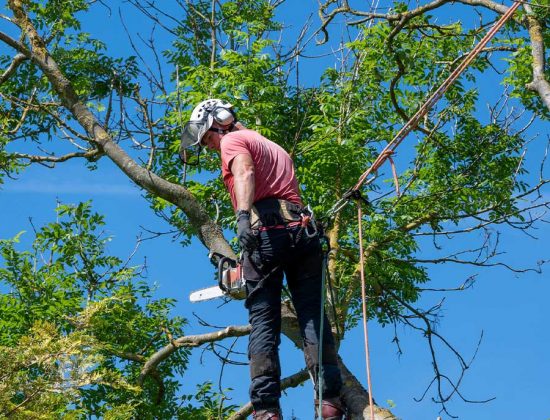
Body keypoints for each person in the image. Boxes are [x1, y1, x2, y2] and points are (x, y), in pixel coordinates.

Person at [180, 99, 345, 420]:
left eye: (208, 139)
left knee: (263, 321)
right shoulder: (270, 144)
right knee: (313, 315)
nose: (211, 146)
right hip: (302, 232)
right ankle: (330, 402)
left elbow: (245, 170)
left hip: (267, 231)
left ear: (219, 123)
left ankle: (266, 409)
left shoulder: (232, 140)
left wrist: (243, 217)